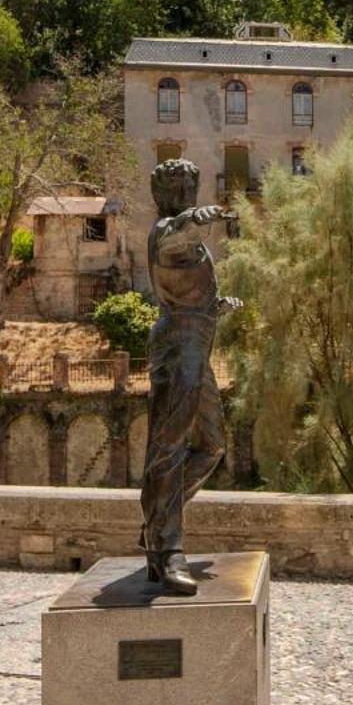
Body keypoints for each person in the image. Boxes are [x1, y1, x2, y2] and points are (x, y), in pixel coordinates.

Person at [140, 158, 240, 595]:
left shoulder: (190, 241)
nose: (184, 193)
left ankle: (157, 522)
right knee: (169, 448)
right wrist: (191, 220)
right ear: (162, 194)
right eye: (176, 187)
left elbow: (184, 290)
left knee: (212, 445)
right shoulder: (165, 231)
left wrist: (213, 306)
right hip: (178, 349)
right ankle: (167, 549)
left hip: (195, 348)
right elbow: (174, 240)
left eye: (189, 187)